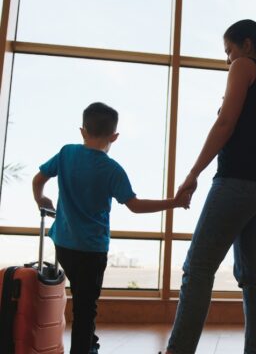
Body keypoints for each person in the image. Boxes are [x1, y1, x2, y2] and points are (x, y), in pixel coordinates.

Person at [165, 10, 256, 354]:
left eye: (228, 51)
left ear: (246, 44)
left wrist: (192, 174)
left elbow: (225, 125)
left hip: (238, 181)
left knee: (198, 267)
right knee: (254, 277)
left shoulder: (245, 66)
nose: (227, 60)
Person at [32, 102, 190, 354]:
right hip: (91, 250)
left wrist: (41, 199)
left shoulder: (66, 153)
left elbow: (39, 179)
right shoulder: (112, 170)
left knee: (81, 300)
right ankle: (83, 348)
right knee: (85, 307)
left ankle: (89, 343)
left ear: (83, 131)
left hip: (63, 245)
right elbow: (135, 206)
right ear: (114, 137)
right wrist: (175, 202)